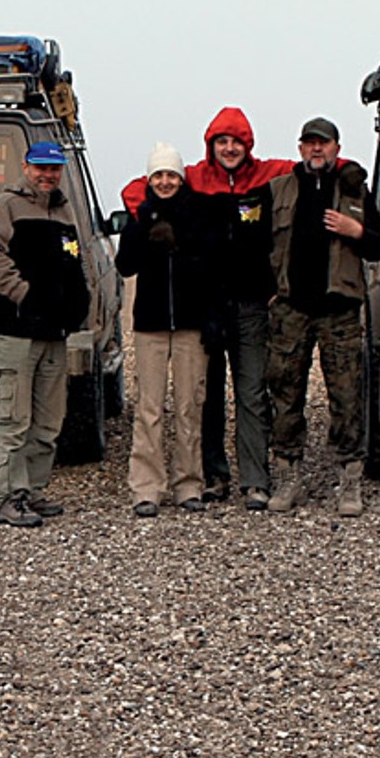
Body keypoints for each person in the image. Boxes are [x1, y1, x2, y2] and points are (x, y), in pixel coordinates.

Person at [125, 109, 295, 511]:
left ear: (247, 144)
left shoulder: (267, 175)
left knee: (252, 393)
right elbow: (139, 188)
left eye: (236, 141)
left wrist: (345, 168)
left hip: (253, 304)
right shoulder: (195, 177)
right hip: (207, 306)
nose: (229, 148)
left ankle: (255, 480)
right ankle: (214, 475)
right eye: (222, 141)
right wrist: (146, 214)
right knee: (206, 395)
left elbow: (310, 164)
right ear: (211, 145)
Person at [263, 116, 380, 516]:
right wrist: (269, 291)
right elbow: (256, 243)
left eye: (324, 143)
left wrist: (357, 231)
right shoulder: (279, 190)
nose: (316, 149)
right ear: (300, 148)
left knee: (347, 396)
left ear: (337, 147)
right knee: (285, 393)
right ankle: (288, 476)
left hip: (340, 311)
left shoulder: (354, 190)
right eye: (310, 143)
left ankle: (349, 481)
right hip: (292, 310)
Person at [0, 140, 92, 528]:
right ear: (26, 167)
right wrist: (22, 293)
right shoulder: (6, 206)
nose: (47, 175)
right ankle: (7, 497)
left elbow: (74, 261)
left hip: (54, 332)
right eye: (41, 168)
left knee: (48, 420)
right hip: (17, 330)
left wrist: (79, 303)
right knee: (12, 418)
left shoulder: (63, 210)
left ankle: (33, 490)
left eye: (54, 168)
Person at [115, 142, 213, 518]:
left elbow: (208, 262)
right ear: (150, 179)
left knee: (189, 406)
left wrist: (182, 241)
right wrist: (143, 229)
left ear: (181, 178)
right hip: (151, 324)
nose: (165, 182)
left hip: (190, 323)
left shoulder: (198, 213)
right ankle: (146, 487)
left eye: (171, 175)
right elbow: (125, 265)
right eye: (158, 175)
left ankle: (189, 484)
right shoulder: (139, 216)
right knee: (149, 408)